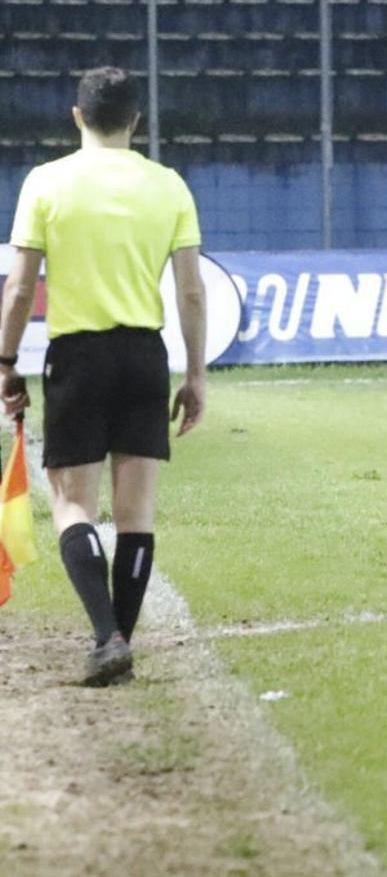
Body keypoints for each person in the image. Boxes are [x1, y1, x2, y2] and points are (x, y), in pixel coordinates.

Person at [0, 67, 206, 686]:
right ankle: (119, 637)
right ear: (136, 121)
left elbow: (19, 289)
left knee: (71, 505)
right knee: (136, 511)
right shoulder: (168, 185)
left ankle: (106, 635)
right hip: (145, 355)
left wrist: (5, 362)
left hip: (79, 356)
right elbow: (191, 291)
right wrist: (195, 374)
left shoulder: (46, 182)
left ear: (77, 116)